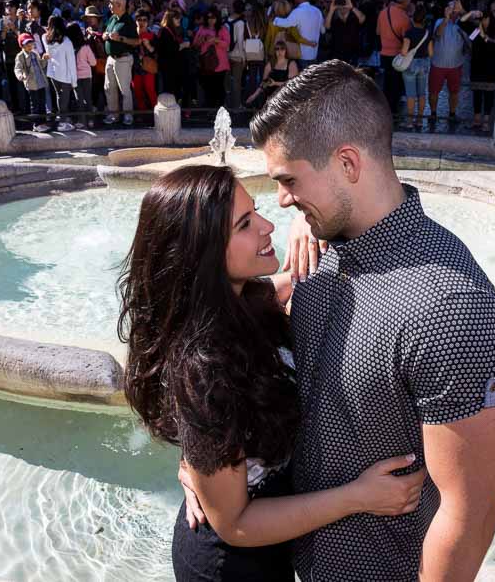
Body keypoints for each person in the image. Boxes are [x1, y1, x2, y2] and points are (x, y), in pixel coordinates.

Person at [181, 60, 495, 581]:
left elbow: (469, 512)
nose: (284, 202)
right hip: (302, 561)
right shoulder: (324, 248)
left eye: (289, 181)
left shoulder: (451, 309)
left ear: (348, 165)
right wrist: (204, 466)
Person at [120, 163, 426, 582]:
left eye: (257, 211)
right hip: (232, 566)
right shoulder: (206, 370)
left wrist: (308, 221)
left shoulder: (242, 299)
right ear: (203, 253)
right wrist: (358, 497)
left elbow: (297, 280)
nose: (266, 226)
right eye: (245, 225)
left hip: (273, 543)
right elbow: (234, 523)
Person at [430, 0, 477, 124]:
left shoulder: (463, 24)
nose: (453, 10)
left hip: (456, 65)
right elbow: (437, 34)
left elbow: (476, 32)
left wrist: (463, 12)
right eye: (450, 8)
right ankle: (433, 113)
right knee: (434, 91)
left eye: (455, 8)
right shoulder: (439, 21)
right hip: (438, 64)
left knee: (454, 92)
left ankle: (452, 113)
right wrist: (446, 19)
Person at [102, 0, 139, 126]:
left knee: (124, 89)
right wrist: (105, 35)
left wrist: (121, 39)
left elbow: (136, 41)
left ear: (119, 5)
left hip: (123, 59)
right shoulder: (112, 18)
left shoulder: (128, 21)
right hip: (111, 59)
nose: (109, 6)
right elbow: (104, 33)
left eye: (111, 3)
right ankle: (114, 116)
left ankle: (128, 116)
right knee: (109, 88)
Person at [377, 0, 412, 113]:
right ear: (406, 1)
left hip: (384, 53)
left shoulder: (383, 12)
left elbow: (378, 32)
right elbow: (407, 40)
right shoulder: (404, 18)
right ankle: (393, 110)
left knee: (387, 81)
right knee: (396, 83)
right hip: (397, 56)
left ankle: (385, 107)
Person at [272, 0, 324, 70]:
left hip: (301, 53)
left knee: (302, 79)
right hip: (314, 53)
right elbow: (323, 30)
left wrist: (275, 20)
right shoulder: (317, 11)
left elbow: (287, 23)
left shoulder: (298, 11)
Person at [399, 6, 433, 129]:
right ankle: (419, 120)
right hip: (423, 64)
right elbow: (431, 53)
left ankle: (409, 121)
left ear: (413, 19)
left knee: (410, 94)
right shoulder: (427, 33)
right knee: (422, 93)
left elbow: (404, 51)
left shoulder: (409, 32)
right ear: (424, 20)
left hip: (411, 64)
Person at [41, 15, 76, 132]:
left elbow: (45, 39)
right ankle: (62, 123)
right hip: (65, 74)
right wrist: (74, 81)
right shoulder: (67, 42)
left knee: (58, 96)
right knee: (64, 99)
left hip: (53, 73)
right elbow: (71, 63)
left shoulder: (45, 39)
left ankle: (61, 117)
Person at [470, 13, 495, 133]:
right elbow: (470, 41)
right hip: (477, 66)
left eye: (486, 18)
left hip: (491, 67)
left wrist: (484, 36)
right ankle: (477, 120)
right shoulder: (476, 30)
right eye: (482, 19)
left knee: (489, 95)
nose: (484, 21)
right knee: (477, 94)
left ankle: (486, 122)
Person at [192, 10, 230, 109]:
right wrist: (203, 39)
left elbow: (227, 44)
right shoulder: (202, 28)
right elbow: (195, 44)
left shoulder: (222, 29)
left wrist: (216, 40)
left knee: (219, 87)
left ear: (217, 18)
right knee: (208, 88)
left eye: (213, 18)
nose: (211, 20)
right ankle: (209, 109)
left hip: (220, 65)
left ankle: (220, 109)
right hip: (206, 64)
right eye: (208, 18)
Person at [244, 40, 299, 107]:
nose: (280, 51)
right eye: (277, 49)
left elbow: (292, 83)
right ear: (274, 51)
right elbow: (265, 82)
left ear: (286, 50)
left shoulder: (291, 64)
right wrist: (254, 95)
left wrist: (275, 83)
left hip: (286, 98)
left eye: (282, 49)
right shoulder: (270, 64)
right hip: (271, 98)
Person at [14, 33, 50, 132]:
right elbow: (17, 68)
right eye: (27, 45)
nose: (30, 46)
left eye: (31, 44)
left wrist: (44, 59)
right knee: (35, 104)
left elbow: (41, 65)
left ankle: (43, 122)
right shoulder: (20, 56)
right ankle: (36, 124)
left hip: (41, 81)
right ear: (22, 46)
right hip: (31, 83)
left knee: (42, 103)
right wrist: (20, 75)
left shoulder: (35, 53)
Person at [65, 22, 96, 127]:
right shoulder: (86, 46)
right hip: (87, 76)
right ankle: (91, 120)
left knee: (79, 99)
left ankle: (81, 121)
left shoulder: (69, 47)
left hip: (75, 77)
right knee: (88, 98)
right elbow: (93, 62)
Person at [0, 0, 25, 111]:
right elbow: (1, 39)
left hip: (22, 55)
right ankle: (16, 107)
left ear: (16, 8)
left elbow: (24, 38)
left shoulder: (21, 20)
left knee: (24, 82)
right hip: (9, 56)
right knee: (12, 84)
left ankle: (26, 106)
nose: (8, 9)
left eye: (11, 6)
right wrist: (4, 30)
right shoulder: (2, 21)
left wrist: (14, 29)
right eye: (6, 7)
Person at [155, 9, 188, 102]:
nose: (179, 20)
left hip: (174, 66)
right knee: (169, 90)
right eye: (176, 18)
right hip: (167, 67)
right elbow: (169, 49)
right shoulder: (165, 31)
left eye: (179, 18)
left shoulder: (173, 30)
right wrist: (183, 45)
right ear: (170, 19)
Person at [325, 0, 365, 65]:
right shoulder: (335, 20)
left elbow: (362, 18)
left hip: (352, 55)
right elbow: (327, 26)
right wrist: (331, 10)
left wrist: (352, 7)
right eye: (340, 7)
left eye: (344, 7)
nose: (342, 9)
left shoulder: (353, 19)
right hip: (337, 55)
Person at [226, 0, 248, 109]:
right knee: (236, 82)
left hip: (226, 55)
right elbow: (240, 41)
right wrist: (244, 57)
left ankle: (227, 104)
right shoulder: (240, 23)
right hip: (237, 55)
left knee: (228, 83)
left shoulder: (226, 20)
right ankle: (237, 105)